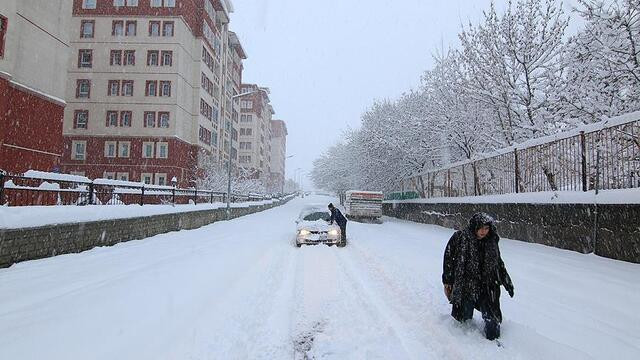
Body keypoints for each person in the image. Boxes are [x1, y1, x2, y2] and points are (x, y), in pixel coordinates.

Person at [442, 212, 514, 340]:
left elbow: (498, 263)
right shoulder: (461, 237)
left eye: (486, 228)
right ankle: (463, 343)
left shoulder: (491, 241)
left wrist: (507, 281)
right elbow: (449, 258)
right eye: (480, 228)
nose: (483, 231)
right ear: (474, 226)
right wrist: (448, 280)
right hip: (467, 285)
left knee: (492, 319)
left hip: (487, 285)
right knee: (463, 321)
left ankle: (495, 343)